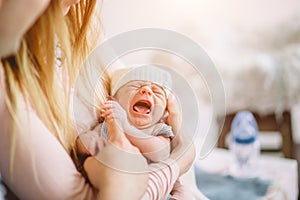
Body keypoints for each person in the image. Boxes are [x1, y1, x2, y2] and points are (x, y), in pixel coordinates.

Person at [0, 1, 196, 200]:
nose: (146, 90)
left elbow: (164, 151)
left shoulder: (82, 24)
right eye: (140, 88)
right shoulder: (7, 83)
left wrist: (174, 139)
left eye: (157, 92)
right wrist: (177, 163)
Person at [78, 65, 192, 199]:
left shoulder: (158, 130)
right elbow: (83, 143)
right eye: (135, 87)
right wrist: (87, 141)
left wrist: (126, 127)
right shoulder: (107, 124)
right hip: (116, 184)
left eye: (157, 92)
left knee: (182, 191)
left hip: (156, 189)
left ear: (163, 114)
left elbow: (161, 153)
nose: (146, 90)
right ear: (113, 101)